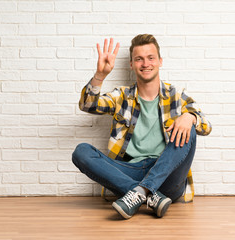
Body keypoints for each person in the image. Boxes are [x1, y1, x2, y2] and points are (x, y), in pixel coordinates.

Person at [72, 34, 212, 219]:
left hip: (166, 174)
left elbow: (206, 126)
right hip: (130, 172)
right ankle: (146, 195)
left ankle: (140, 192)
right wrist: (100, 75)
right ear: (131, 64)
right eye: (139, 59)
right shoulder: (121, 96)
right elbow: (88, 105)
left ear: (160, 61)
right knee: (81, 152)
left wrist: (190, 117)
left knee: (189, 129)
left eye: (150, 58)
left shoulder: (177, 95)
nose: (145, 63)